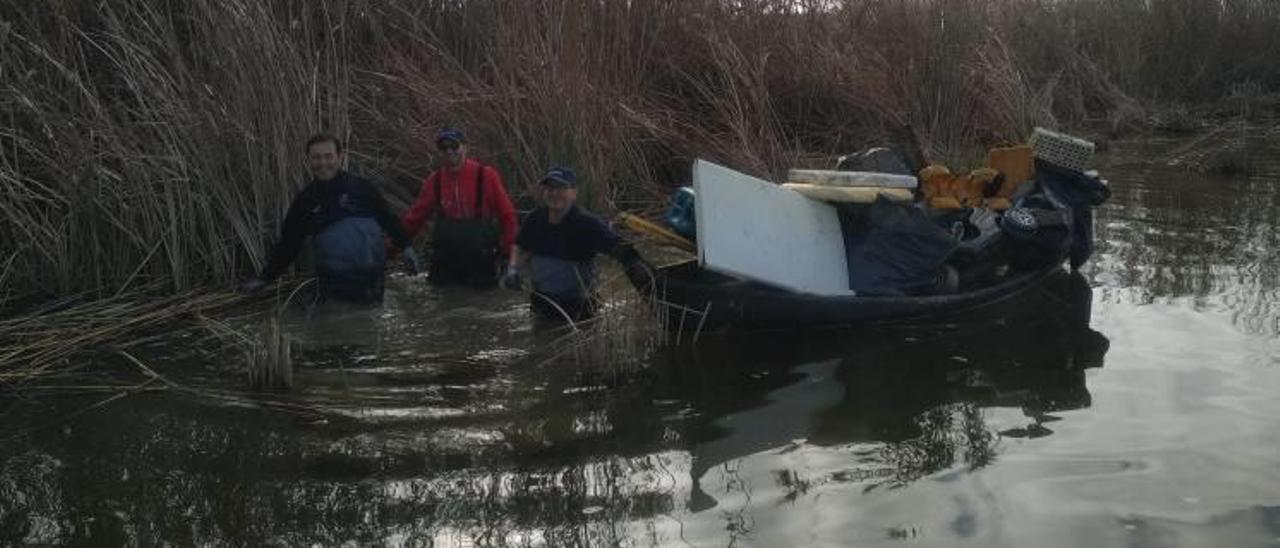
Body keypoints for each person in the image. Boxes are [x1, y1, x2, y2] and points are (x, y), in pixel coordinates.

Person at [239, 133, 419, 304]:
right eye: (316, 157)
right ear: (308, 159)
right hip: (336, 285)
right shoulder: (305, 201)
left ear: (339, 157)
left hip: (374, 280)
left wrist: (407, 248)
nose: (323, 163)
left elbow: (388, 218)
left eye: (328, 156)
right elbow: (288, 244)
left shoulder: (362, 187)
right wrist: (265, 278)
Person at [502, 166, 645, 321]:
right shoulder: (534, 219)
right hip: (542, 304)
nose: (554, 193)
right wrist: (512, 270)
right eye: (550, 188)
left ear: (574, 193)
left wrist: (636, 264)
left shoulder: (587, 223)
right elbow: (520, 245)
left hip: (579, 308)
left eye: (561, 188)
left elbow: (617, 246)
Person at [401, 128, 518, 288]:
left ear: (465, 147)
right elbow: (415, 218)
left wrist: (508, 256)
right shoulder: (434, 180)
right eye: (443, 147)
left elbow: (508, 216)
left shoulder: (486, 175)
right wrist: (401, 246)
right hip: (445, 262)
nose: (449, 151)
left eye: (454, 146)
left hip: (480, 260)